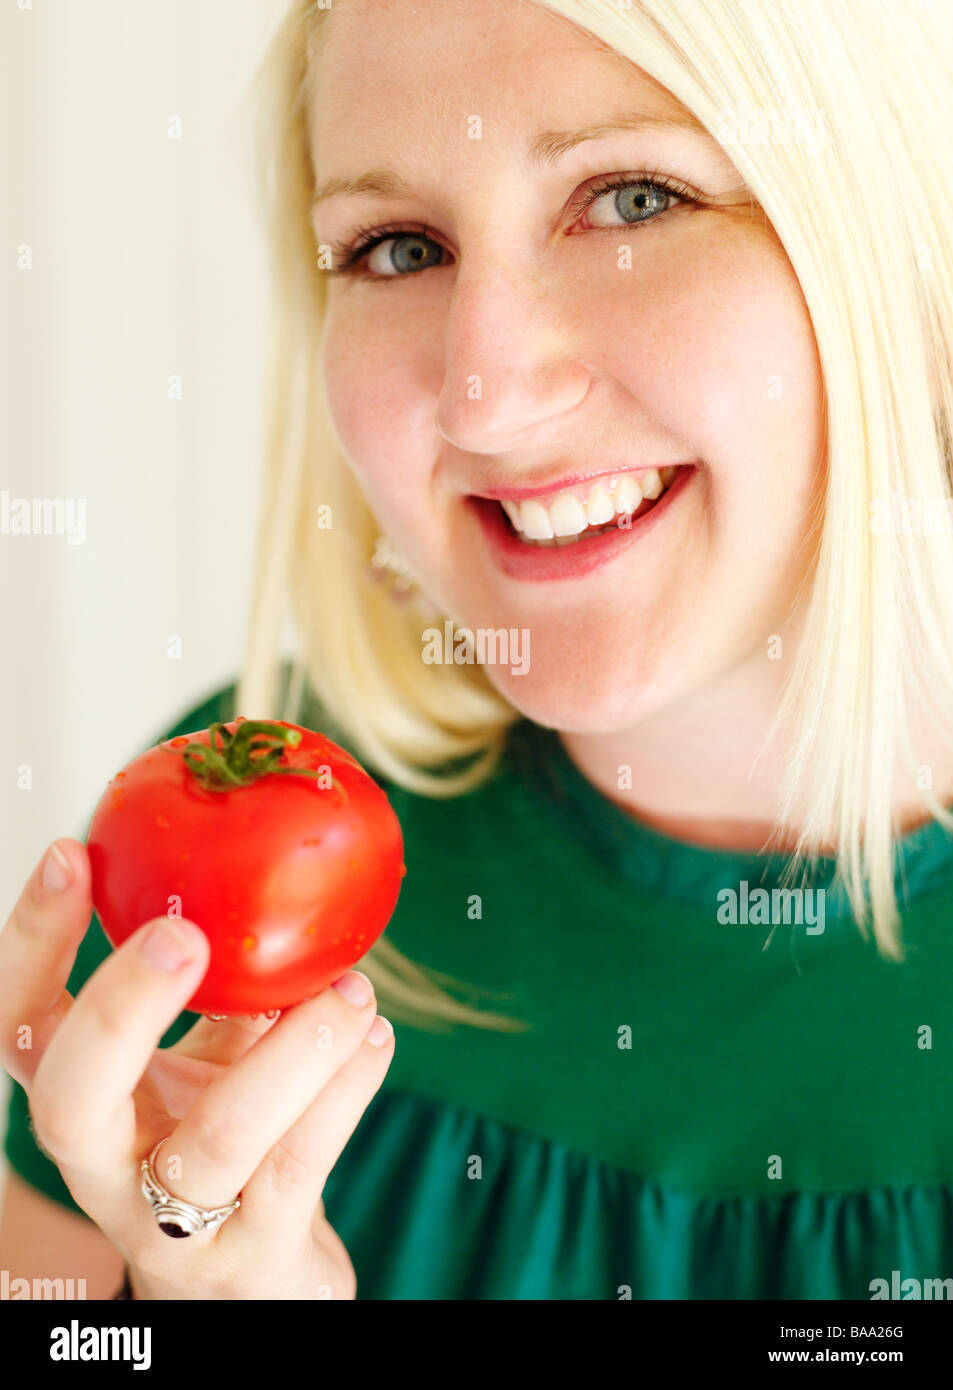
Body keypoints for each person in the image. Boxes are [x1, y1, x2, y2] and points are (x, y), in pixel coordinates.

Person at [3, 0, 953, 1301]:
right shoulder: (234, 840)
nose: (482, 392)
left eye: (631, 199)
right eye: (397, 247)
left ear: (894, 234)